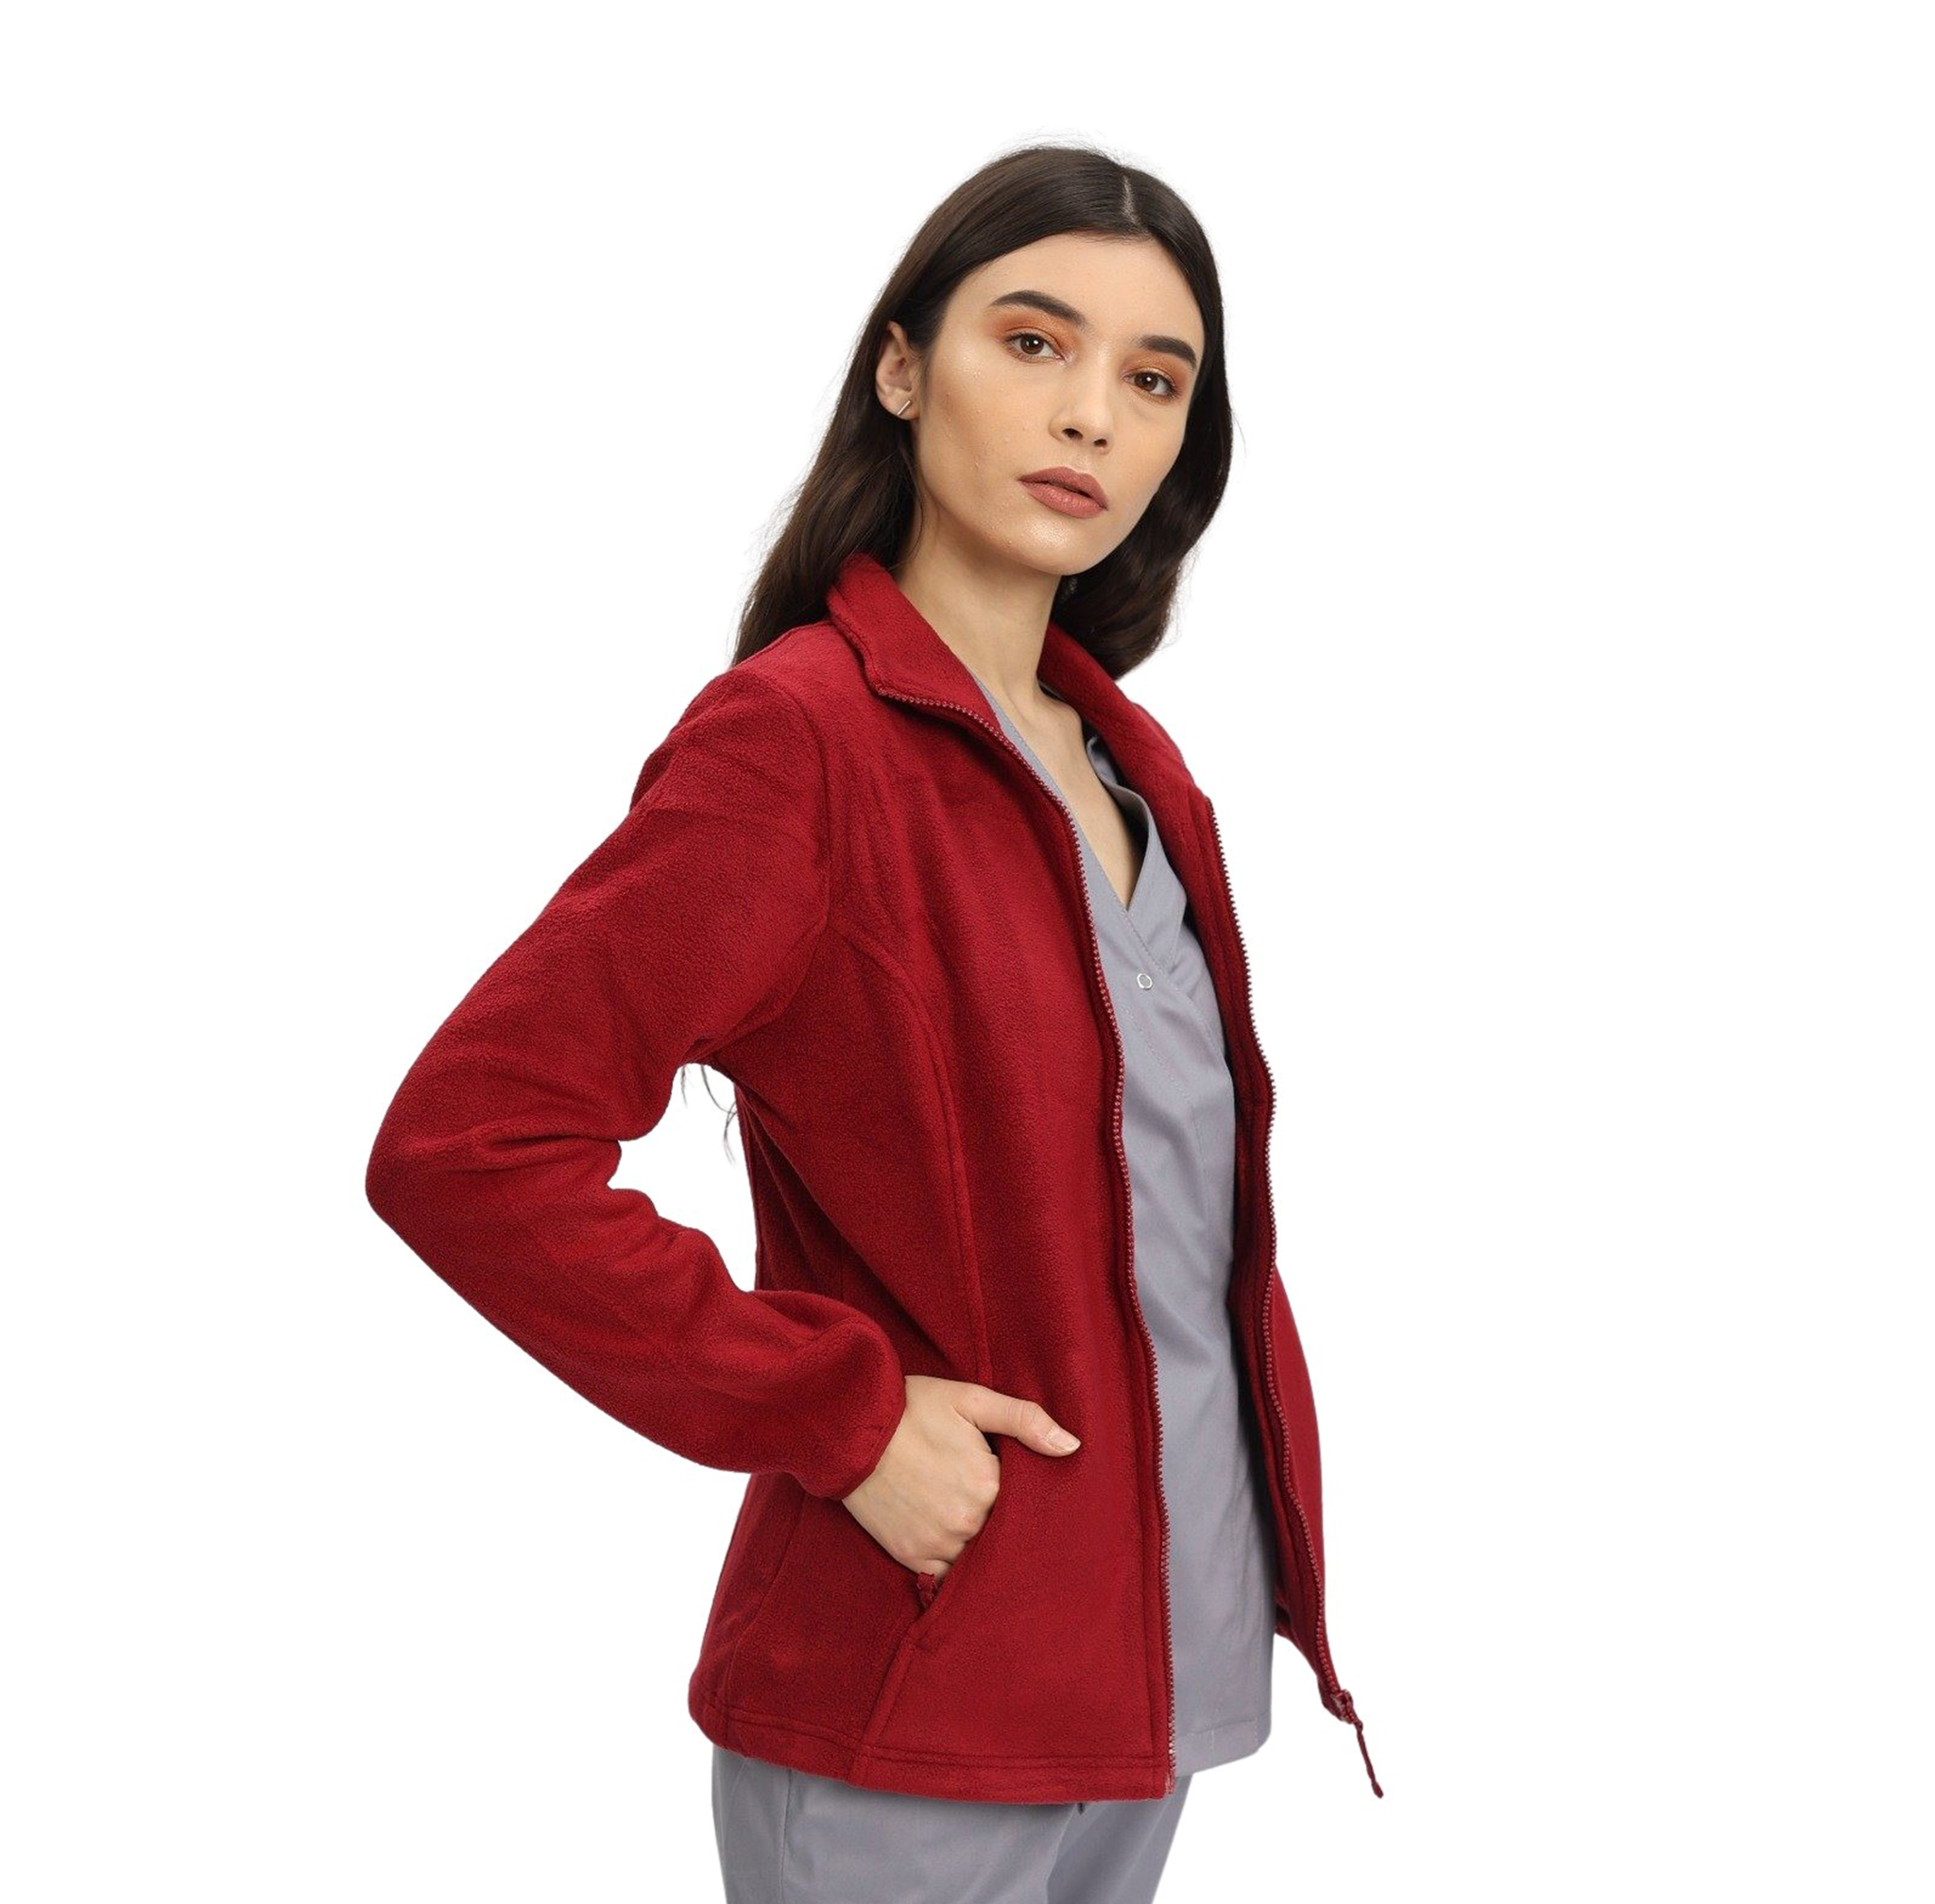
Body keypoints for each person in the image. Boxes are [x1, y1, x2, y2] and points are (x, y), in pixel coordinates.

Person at [365, 141, 1378, 1904]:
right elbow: (467, 1146)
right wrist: (841, 1415)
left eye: (1154, 381)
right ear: (903, 370)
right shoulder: (800, 745)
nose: (1091, 415)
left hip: (1148, 1672)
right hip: (918, 1686)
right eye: (1033, 343)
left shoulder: (1141, 778)